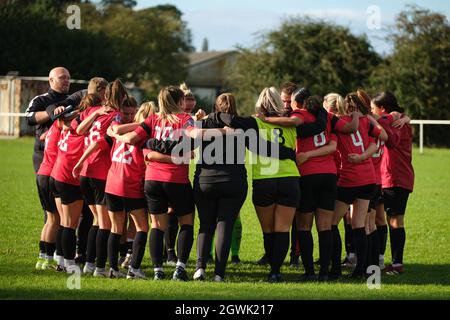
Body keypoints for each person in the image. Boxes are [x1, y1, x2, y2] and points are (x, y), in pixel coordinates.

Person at [205, 87, 327, 282]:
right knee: (283, 229)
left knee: (268, 230)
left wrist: (209, 115)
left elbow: (226, 118)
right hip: (289, 179)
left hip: (264, 181)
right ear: (279, 103)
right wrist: (321, 110)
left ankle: (273, 270)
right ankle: (276, 272)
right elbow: (319, 126)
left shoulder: (254, 122)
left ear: (260, 103)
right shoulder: (290, 122)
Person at [109, 86, 221, 281]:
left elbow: (131, 138)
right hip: (176, 180)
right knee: (186, 223)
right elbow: (194, 134)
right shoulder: (184, 119)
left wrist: (115, 134)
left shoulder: (152, 119)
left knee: (156, 226)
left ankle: (157, 271)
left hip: (152, 180)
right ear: (179, 102)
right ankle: (180, 269)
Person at [73, 100, 152, 279]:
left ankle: (109, 268)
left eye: (133, 114)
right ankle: (134, 269)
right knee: (142, 227)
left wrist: (79, 162)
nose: (129, 116)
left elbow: (97, 143)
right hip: (130, 186)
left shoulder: (115, 132)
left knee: (114, 228)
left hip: (112, 185)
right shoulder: (143, 135)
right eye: (126, 114)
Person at [330, 92, 387, 279]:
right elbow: (378, 141)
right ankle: (362, 270)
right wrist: (363, 156)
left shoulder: (339, 123)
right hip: (369, 178)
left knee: (330, 223)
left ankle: (335, 269)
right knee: (359, 225)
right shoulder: (366, 122)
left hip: (349, 179)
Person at [74, 79, 128, 277]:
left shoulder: (93, 111)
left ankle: (89, 264)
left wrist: (80, 162)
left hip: (85, 173)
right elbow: (103, 140)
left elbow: (78, 130)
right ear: (122, 97)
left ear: (106, 95)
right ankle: (99, 268)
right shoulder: (116, 116)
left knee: (97, 221)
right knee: (105, 224)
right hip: (100, 173)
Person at [26, 67, 70, 267]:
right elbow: (29, 118)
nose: (66, 81)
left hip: (64, 157)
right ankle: (50, 253)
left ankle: (54, 252)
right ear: (51, 80)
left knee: (63, 208)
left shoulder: (72, 99)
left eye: (68, 78)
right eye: (62, 78)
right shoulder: (42, 99)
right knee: (52, 209)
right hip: (44, 155)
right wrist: (52, 112)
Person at [371, 91, 414, 275]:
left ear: (382, 109)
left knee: (395, 221)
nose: (372, 112)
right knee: (384, 219)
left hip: (396, 177)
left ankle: (397, 264)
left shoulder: (397, 122)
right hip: (387, 176)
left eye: (374, 109)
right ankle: (382, 261)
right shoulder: (397, 119)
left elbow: (391, 142)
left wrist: (392, 118)